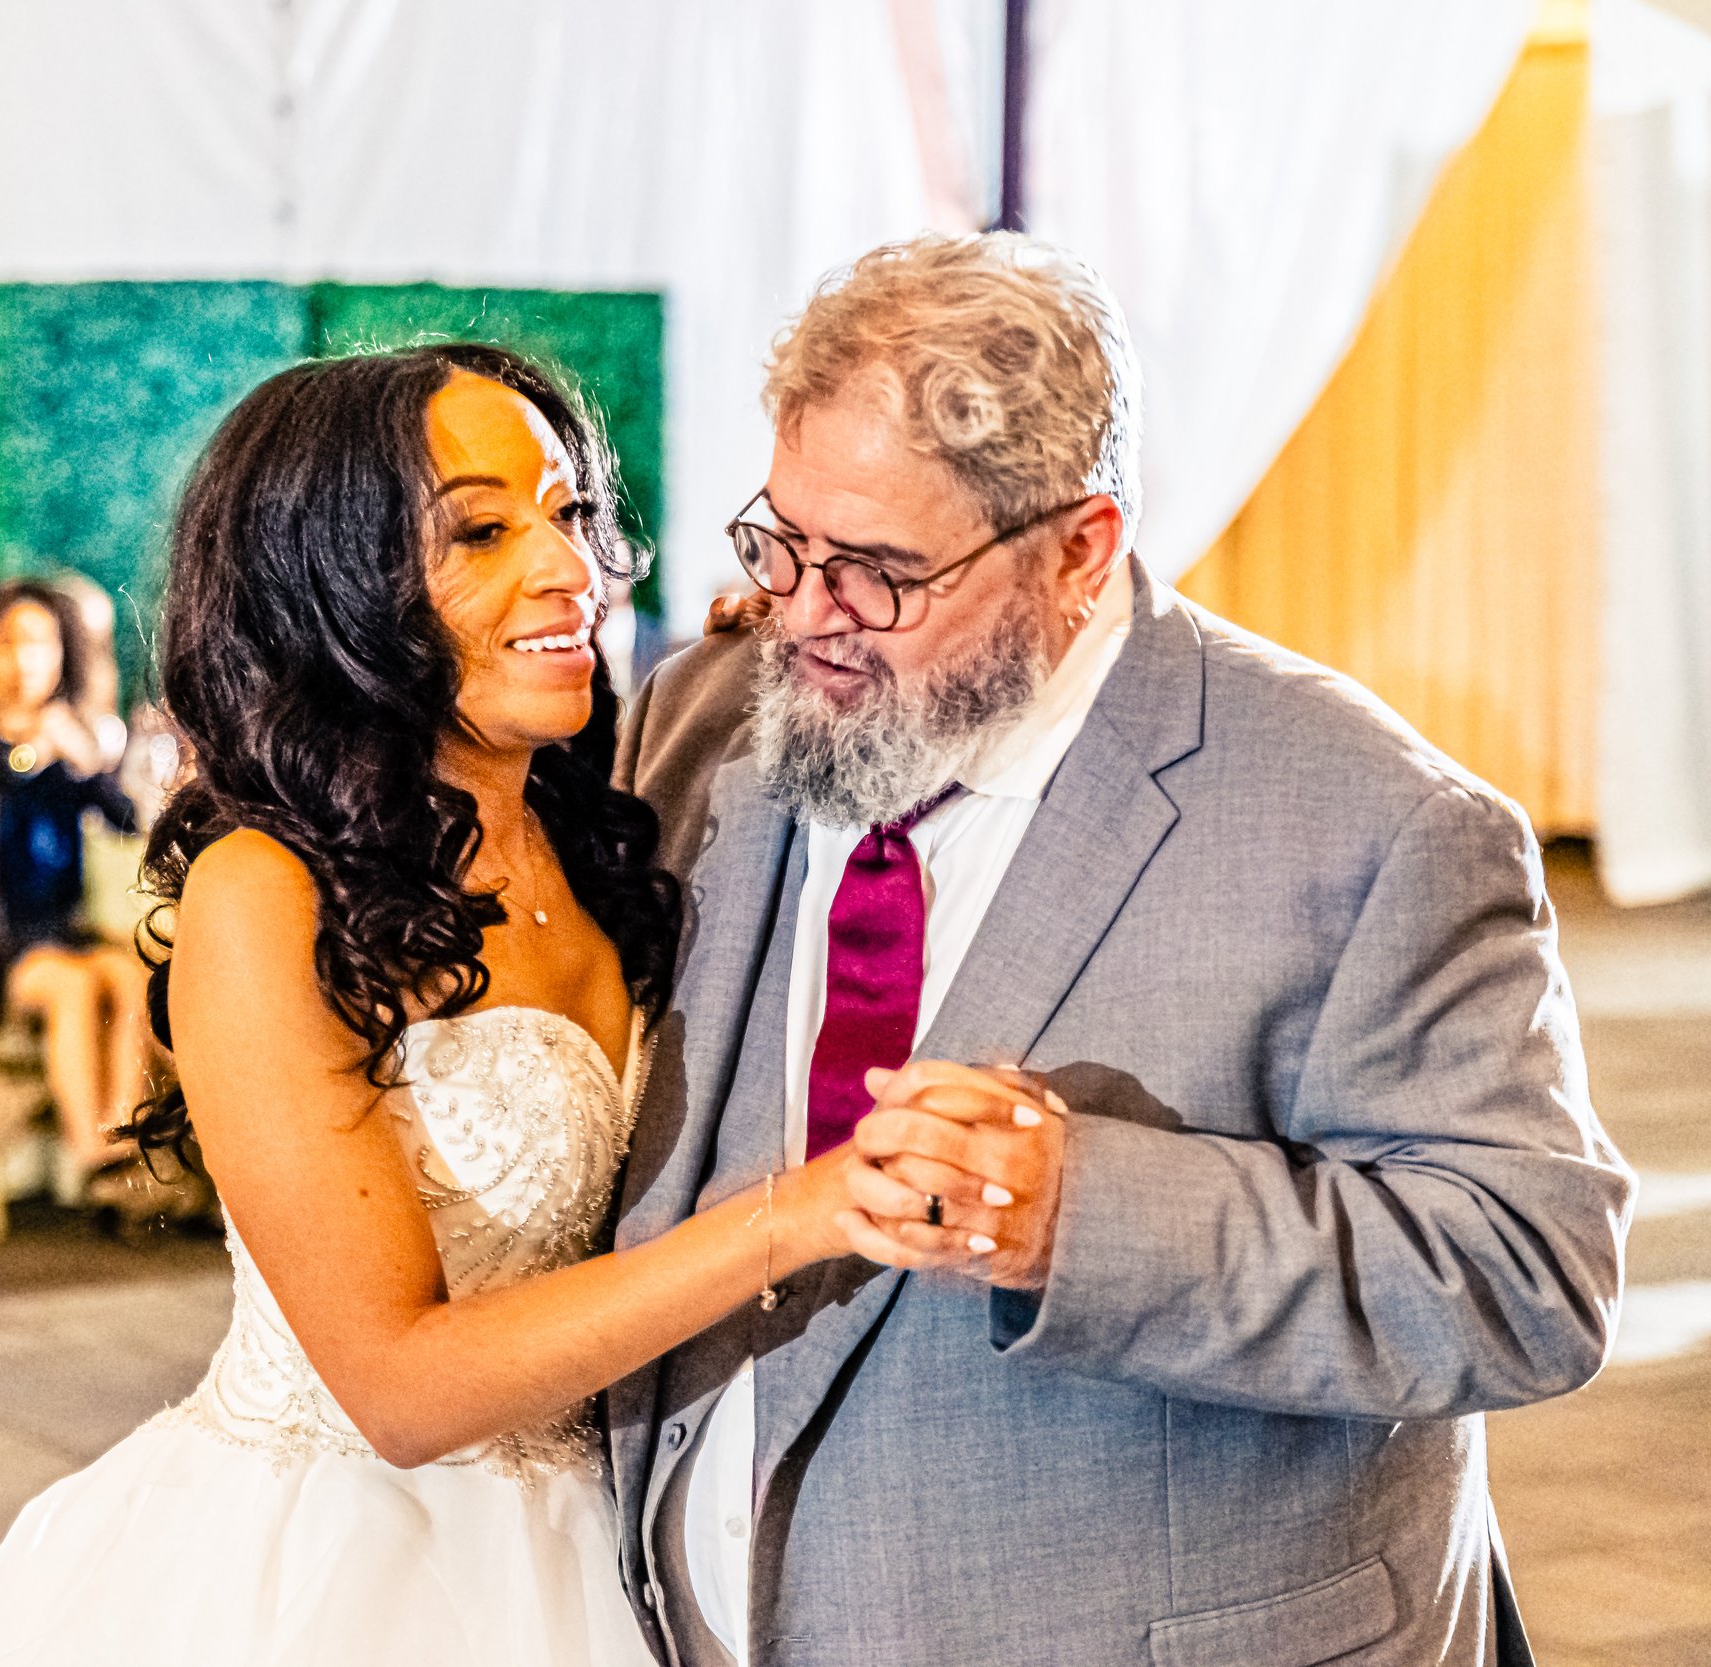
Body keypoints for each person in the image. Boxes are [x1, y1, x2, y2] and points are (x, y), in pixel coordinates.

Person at [608, 233, 1636, 1667]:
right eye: (783, 540)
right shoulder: (710, 715)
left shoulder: (1375, 821)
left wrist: (1077, 1214)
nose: (807, 611)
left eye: (884, 570)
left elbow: (1530, 1274)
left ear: (1081, 548)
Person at [0, 345, 907, 1666]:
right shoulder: (263, 890)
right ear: (335, 585)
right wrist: (798, 1214)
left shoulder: (600, 832)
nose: (570, 570)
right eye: (484, 531)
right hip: (345, 1572)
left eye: (565, 515)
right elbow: (399, 1383)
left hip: (609, 1540)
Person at [0, 580, 150, 1191]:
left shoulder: (70, 730)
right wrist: (30, 753)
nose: (23, 659)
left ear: (62, 655)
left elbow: (128, 818)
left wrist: (87, 764)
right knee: (73, 987)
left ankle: (121, 1139)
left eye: (40, 643)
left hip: (58, 927)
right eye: (7, 642)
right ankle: (93, 1159)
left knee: (134, 976)